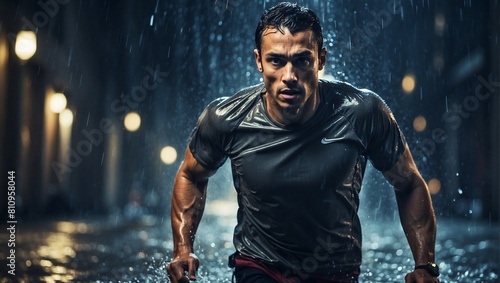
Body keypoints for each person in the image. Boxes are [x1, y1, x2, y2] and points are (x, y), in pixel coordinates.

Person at [166, 2, 439, 283]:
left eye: (302, 60)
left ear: (321, 60)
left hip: (335, 271)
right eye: (276, 61)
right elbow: (190, 175)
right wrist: (182, 250)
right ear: (258, 61)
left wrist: (425, 266)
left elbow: (409, 183)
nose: (289, 76)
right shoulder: (227, 118)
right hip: (259, 266)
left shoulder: (362, 112)